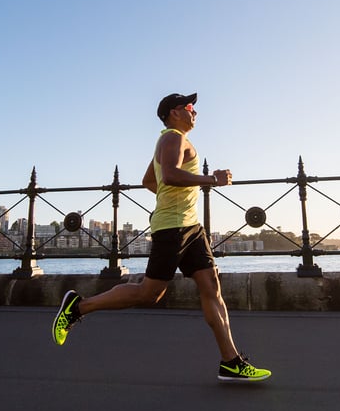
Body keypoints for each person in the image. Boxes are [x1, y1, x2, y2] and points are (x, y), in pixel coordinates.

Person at [52, 93, 271, 382]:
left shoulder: (173, 140)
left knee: (211, 286)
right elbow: (168, 175)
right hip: (173, 228)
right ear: (173, 113)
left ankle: (231, 362)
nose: (194, 112)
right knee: (149, 293)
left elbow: (149, 180)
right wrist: (211, 180)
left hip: (191, 227)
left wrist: (173, 199)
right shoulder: (172, 138)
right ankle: (78, 307)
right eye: (189, 107)